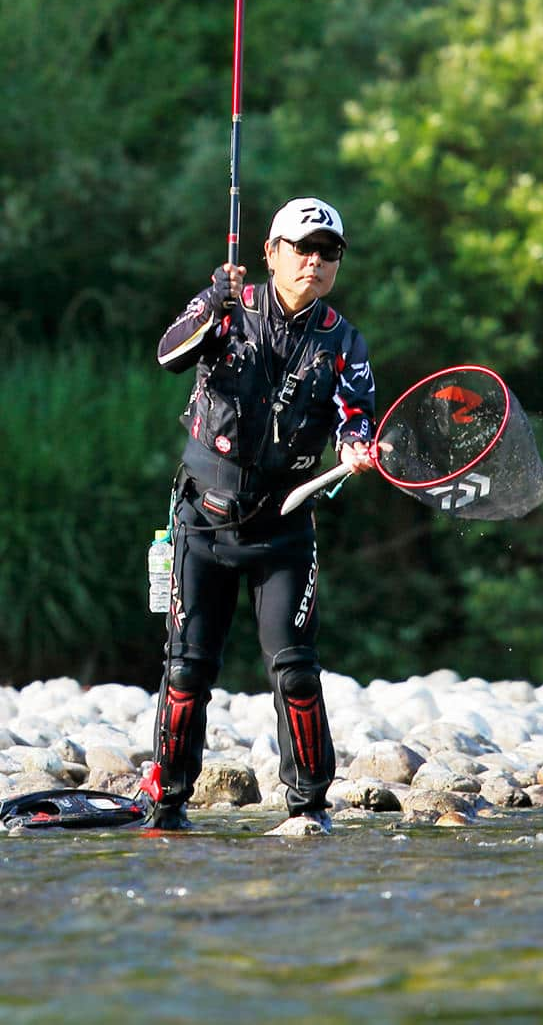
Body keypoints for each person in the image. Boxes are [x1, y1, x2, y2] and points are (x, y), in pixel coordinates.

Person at [144, 197, 376, 833]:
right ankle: (165, 804)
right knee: (187, 668)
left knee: (296, 669)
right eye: (302, 248)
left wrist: (358, 449)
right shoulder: (226, 313)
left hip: (284, 529)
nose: (316, 261)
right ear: (270, 253)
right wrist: (210, 302)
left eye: (329, 252)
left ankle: (309, 809)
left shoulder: (345, 342)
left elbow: (356, 418)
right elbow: (168, 355)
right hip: (204, 522)